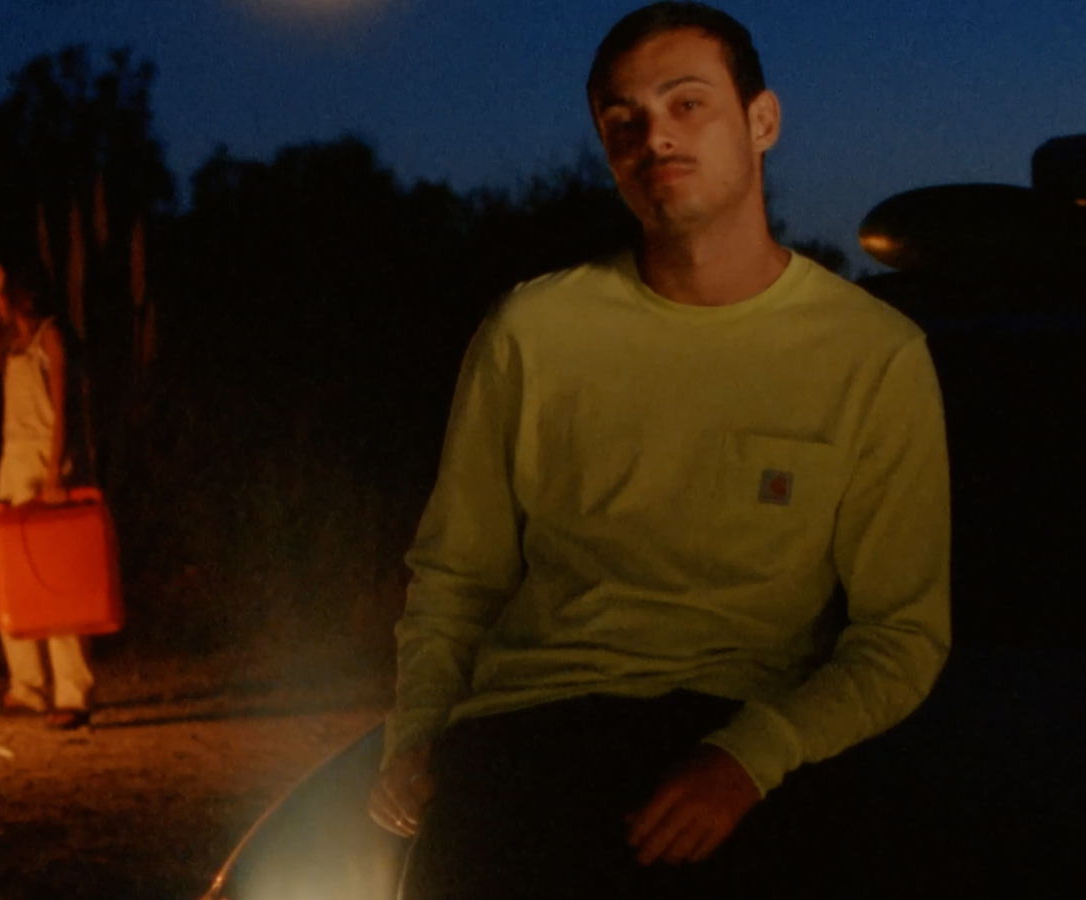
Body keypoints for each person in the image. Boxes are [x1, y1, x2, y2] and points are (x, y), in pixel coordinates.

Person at [368, 3, 951, 897]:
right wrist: (415, 735)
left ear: (762, 121)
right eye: (622, 120)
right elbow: (457, 572)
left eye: (688, 105)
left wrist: (752, 758)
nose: (655, 139)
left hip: (730, 742)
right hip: (525, 738)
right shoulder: (533, 328)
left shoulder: (873, 354)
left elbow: (902, 634)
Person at [0, 260, 95, 730]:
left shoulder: (50, 335)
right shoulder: (11, 345)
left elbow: (64, 405)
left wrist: (55, 468)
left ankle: (74, 692)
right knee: (13, 574)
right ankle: (26, 686)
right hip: (13, 462)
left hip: (47, 459)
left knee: (57, 576)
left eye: (2, 287)